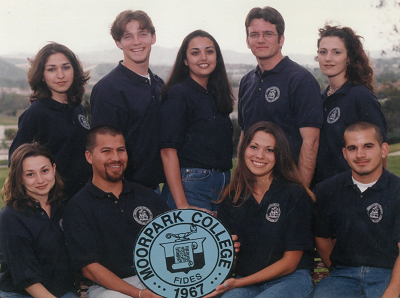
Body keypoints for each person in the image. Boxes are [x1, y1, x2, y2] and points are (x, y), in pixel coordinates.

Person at [205, 121, 315, 298]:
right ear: (243, 150)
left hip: (290, 279)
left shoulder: (293, 194)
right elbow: (227, 266)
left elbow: (290, 263)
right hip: (246, 281)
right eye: (254, 147)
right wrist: (229, 254)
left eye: (269, 150)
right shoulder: (231, 198)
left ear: (280, 155)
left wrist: (238, 283)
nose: (260, 155)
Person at [63, 125, 168, 298]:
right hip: (108, 289)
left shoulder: (148, 196)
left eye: (121, 150)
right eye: (106, 151)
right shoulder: (78, 206)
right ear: (89, 157)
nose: (116, 158)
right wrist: (139, 294)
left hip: (157, 279)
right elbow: (90, 269)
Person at [238, 6, 323, 187]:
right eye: (254, 35)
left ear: (281, 39)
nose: (260, 40)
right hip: (251, 187)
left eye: (268, 34)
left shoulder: (301, 80)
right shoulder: (247, 82)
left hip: (287, 187)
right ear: (247, 40)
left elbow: (311, 141)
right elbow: (244, 136)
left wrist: (301, 193)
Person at [313, 121, 400, 298]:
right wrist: (338, 270)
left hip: (387, 274)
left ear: (383, 149)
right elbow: (322, 238)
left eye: (368, 146)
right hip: (343, 276)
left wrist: (392, 291)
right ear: (344, 153)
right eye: (352, 148)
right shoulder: (327, 190)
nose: (360, 154)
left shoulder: (397, 190)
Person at [160, 30, 234, 211]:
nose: (203, 57)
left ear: (217, 57)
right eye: (195, 52)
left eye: (209, 51)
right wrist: (182, 205)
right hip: (191, 186)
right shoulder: (179, 94)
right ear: (185, 60)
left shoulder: (215, 94)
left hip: (221, 186)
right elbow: (168, 152)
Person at [90, 10, 164, 190]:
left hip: (155, 189)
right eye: (128, 36)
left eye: (142, 34)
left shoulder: (158, 84)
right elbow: (103, 151)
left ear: (153, 38)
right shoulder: (108, 89)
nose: (137, 41)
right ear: (118, 43)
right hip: (125, 191)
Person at [9, 42, 91, 199]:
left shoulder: (78, 108)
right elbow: (16, 161)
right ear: (42, 74)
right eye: (51, 69)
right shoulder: (36, 113)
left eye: (66, 67)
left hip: (82, 198)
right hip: (55, 200)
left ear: (74, 70)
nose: (60, 75)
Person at [314, 25, 388, 184]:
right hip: (322, 193)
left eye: (337, 52)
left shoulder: (360, 96)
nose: (328, 58)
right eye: (323, 52)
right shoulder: (319, 99)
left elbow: (381, 151)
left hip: (354, 194)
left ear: (349, 57)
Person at [0, 143, 76, 298]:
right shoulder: (11, 216)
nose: (40, 180)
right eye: (30, 174)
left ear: (54, 169)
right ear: (19, 178)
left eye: (45, 171)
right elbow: (26, 278)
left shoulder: (62, 206)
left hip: (61, 291)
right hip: (22, 293)